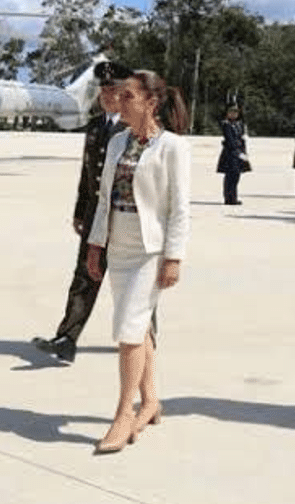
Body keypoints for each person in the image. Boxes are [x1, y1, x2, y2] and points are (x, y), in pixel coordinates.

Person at [84, 68, 191, 455]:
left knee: (128, 329)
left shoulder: (173, 147)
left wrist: (174, 257)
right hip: (119, 246)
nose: (119, 101)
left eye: (128, 96)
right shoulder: (116, 143)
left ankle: (123, 413)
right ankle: (150, 402)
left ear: (151, 102)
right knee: (139, 325)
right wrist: (95, 246)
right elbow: (103, 199)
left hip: (151, 250)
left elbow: (179, 209)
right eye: (119, 95)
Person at [32, 61, 126, 363]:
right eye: (103, 89)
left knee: (129, 282)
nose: (107, 94)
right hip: (94, 217)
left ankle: (142, 338)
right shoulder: (97, 124)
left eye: (113, 89)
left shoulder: (136, 127)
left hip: (125, 220)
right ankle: (67, 338)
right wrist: (79, 211)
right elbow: (87, 173)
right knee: (84, 276)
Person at [216, 104, 249, 205]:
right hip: (230, 153)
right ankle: (228, 198)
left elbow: (242, 138)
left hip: (238, 152)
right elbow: (230, 140)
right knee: (230, 176)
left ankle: (234, 196)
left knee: (236, 176)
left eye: (235, 112)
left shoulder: (239, 124)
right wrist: (237, 149)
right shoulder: (226, 124)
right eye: (231, 112)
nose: (233, 114)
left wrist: (243, 152)